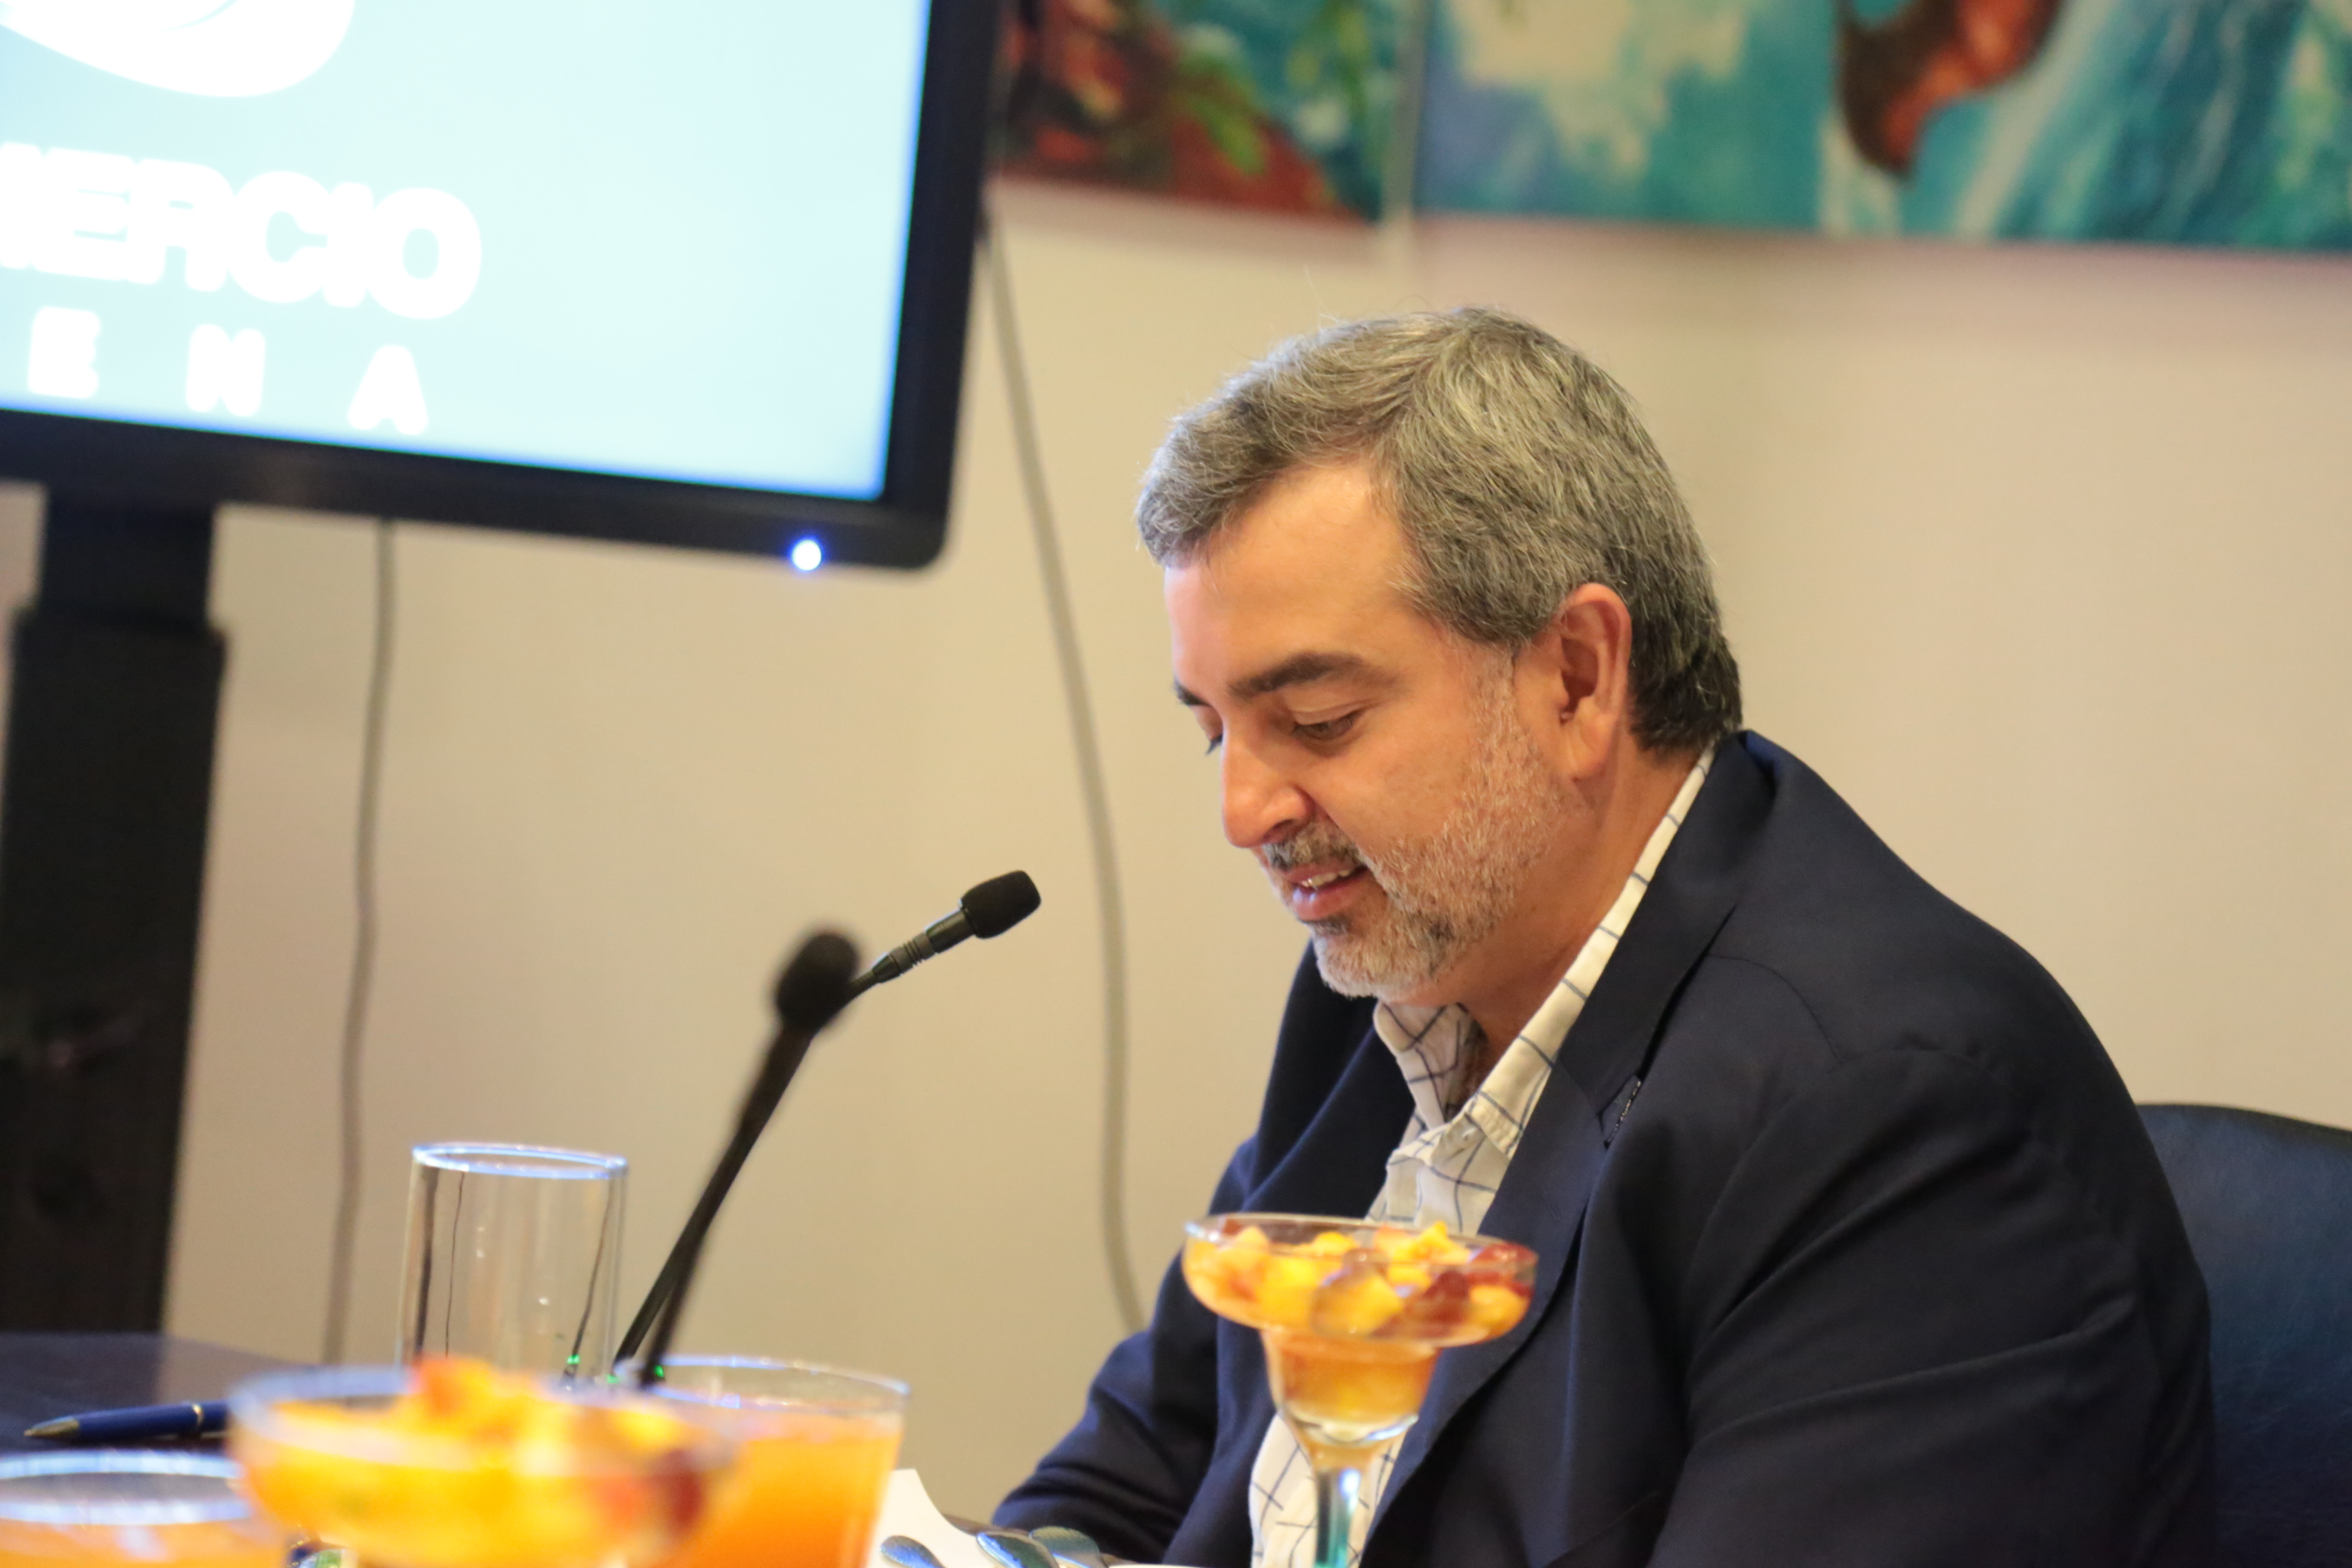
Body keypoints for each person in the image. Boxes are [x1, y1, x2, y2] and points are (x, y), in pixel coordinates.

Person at [995, 309, 2213, 1567]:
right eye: (1214, 731)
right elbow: (1127, 1484)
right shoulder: (1401, 972)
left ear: (1576, 677)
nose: (1245, 812)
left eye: (1318, 719)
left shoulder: (1888, 1115)